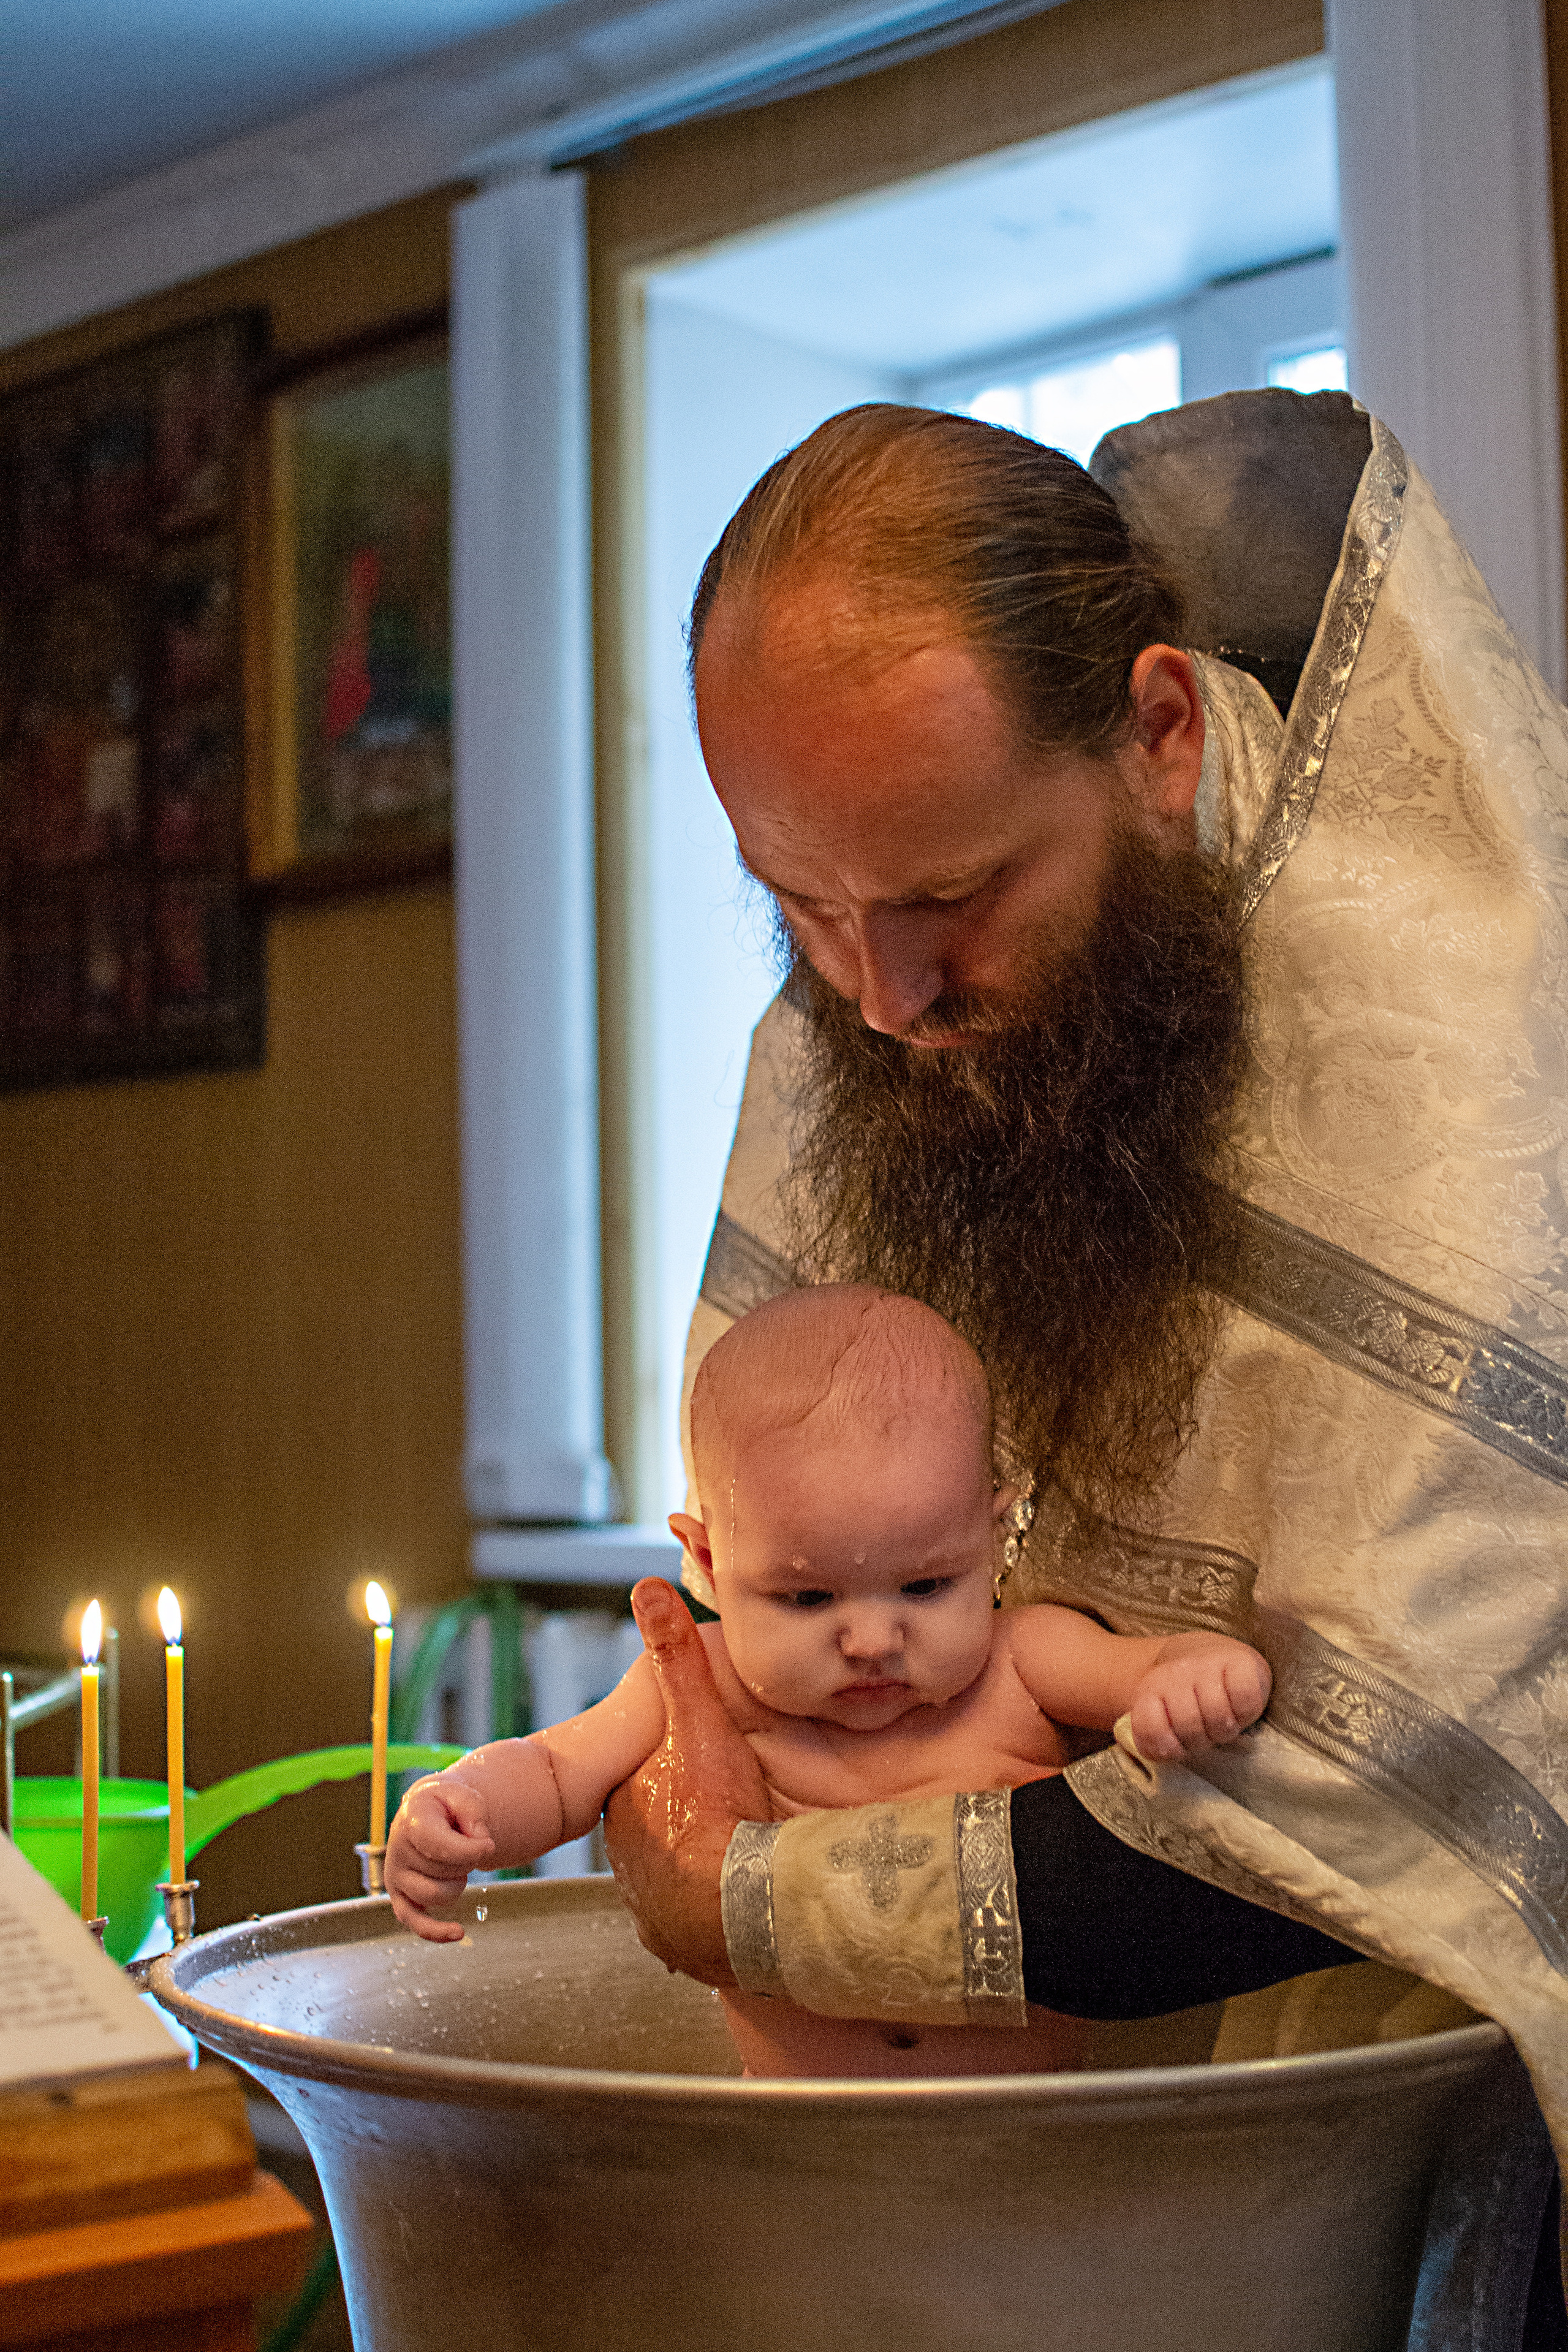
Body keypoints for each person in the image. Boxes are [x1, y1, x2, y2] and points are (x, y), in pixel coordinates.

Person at [597, 394, 1568, 2337]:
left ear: (1158, 735)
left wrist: (737, 1899)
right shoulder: (879, 983)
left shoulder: (1473, 1053)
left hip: (1451, 2153)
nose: (879, 997)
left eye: (951, 898)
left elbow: (1333, 1827)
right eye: (792, 901)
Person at [384, 1284, 1271, 2076]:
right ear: (705, 1558)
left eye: (927, 1585)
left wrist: (1193, 1679)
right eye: (808, 1595)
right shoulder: (705, 1682)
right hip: (799, 2130)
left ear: (997, 1534)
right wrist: (464, 1804)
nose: (875, 1638)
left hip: (1025, 2125)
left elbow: (1146, 1668)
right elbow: (555, 1770)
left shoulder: (1022, 1659)